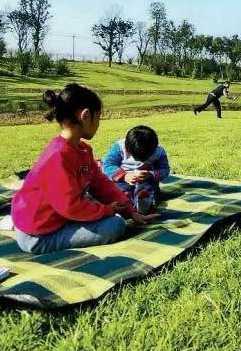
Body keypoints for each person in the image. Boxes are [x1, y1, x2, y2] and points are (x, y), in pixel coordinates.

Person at [10, 83, 158, 254]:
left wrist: (130, 212)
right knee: (115, 225)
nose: (99, 123)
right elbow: (70, 206)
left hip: (59, 217)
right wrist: (107, 210)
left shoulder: (83, 150)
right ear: (86, 116)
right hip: (38, 234)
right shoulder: (57, 156)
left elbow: (101, 184)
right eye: (98, 117)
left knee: (111, 216)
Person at [102, 125, 170, 215]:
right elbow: (107, 165)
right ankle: (125, 202)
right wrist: (124, 176)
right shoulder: (119, 148)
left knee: (147, 189)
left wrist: (151, 174)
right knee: (120, 190)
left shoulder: (159, 152)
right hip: (123, 180)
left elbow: (164, 169)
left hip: (146, 180)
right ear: (127, 148)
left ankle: (143, 204)